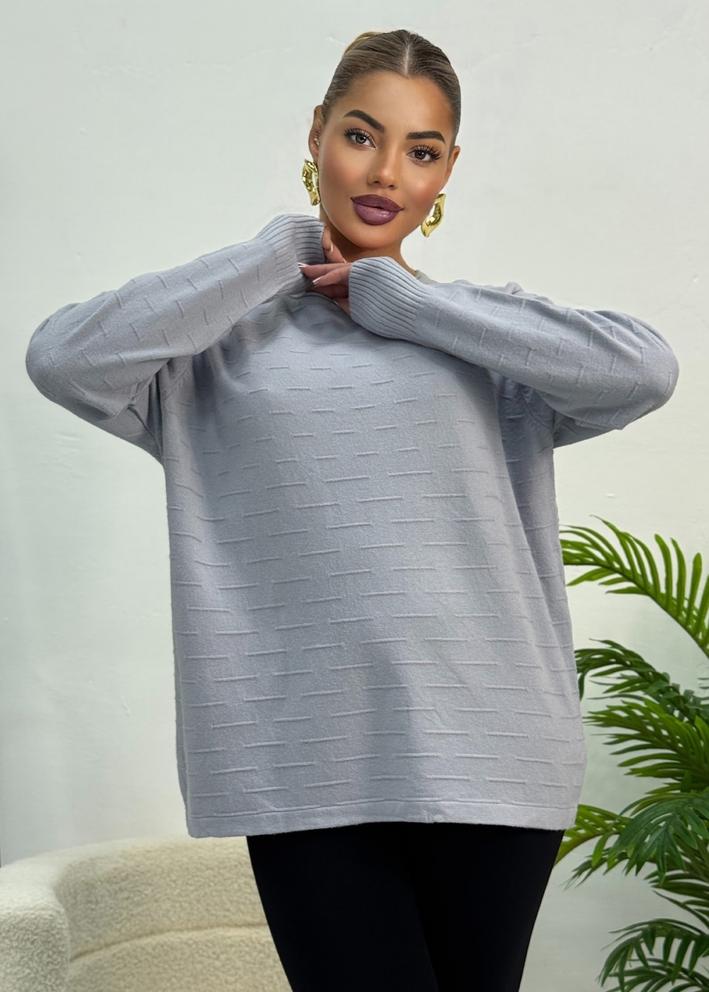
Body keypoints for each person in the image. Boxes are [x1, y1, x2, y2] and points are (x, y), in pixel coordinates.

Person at [25, 27, 679, 992]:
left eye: (421, 151)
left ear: (446, 171)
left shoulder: (484, 338)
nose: (385, 174)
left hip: (494, 750)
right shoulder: (210, 354)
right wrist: (277, 255)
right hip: (299, 758)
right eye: (361, 135)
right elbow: (62, 358)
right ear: (316, 134)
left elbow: (643, 369)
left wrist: (401, 302)